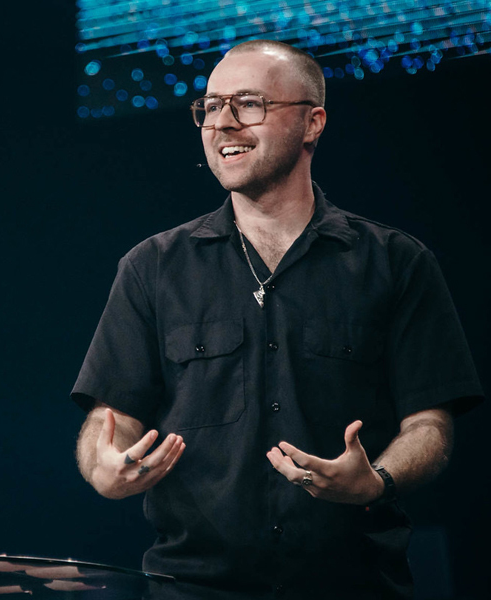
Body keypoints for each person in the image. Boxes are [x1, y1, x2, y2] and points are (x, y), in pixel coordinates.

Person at [71, 40, 483, 599]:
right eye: (211, 107)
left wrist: (377, 479)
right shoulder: (152, 267)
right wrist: (102, 466)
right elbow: (108, 415)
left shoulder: (396, 262)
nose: (223, 123)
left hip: (355, 585)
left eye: (247, 103)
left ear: (312, 122)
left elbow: (429, 424)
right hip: (193, 588)